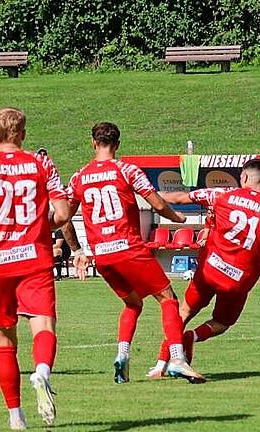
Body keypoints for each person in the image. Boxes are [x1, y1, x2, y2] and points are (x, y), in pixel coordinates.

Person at [0, 107, 82, 431]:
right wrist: (40, 227)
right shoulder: (42, 164)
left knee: (5, 339)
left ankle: (16, 416)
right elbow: (63, 213)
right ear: (24, 135)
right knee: (44, 326)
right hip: (34, 258)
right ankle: (42, 371)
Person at [65, 122, 205, 385]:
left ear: (93, 143)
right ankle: (177, 359)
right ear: (117, 144)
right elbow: (157, 203)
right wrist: (176, 218)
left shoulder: (79, 177)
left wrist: (77, 250)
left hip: (102, 255)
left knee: (133, 303)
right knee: (168, 299)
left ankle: (122, 355)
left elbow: (63, 217)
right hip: (128, 248)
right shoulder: (127, 170)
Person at [148, 159, 260, 376]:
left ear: (243, 177)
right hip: (239, 280)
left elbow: (178, 198)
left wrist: (146, 194)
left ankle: (160, 364)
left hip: (210, 269)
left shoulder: (222, 194)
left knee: (184, 312)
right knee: (222, 322)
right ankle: (192, 337)